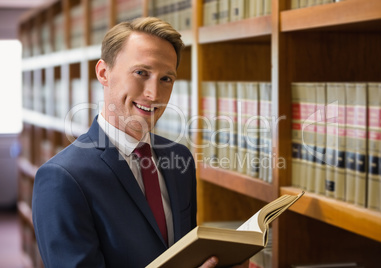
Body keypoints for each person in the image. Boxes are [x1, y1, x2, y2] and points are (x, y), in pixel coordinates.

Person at [32, 17, 248, 268]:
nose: (154, 94)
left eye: (166, 79)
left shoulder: (179, 158)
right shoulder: (62, 178)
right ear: (104, 73)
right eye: (141, 73)